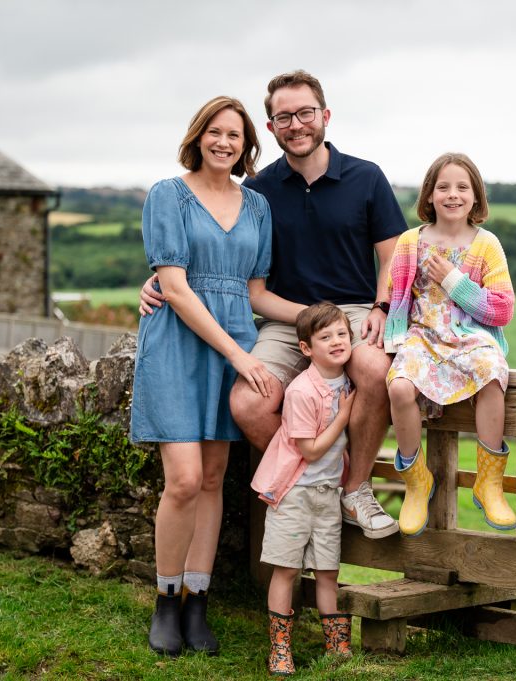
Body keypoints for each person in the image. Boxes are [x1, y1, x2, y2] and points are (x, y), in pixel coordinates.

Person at [141, 70, 407, 539]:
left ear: (324, 116)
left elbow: (394, 257)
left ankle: (356, 490)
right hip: (287, 318)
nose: (296, 124)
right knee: (247, 402)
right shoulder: (259, 193)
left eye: (305, 113)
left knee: (372, 369)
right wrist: (156, 280)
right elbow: (227, 259)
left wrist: (383, 306)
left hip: (357, 310)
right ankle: (320, 481)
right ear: (270, 128)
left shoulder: (367, 177)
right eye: (283, 117)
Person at [130, 95, 303, 657]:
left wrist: (317, 320)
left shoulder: (256, 207)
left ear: (247, 145)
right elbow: (175, 286)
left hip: (235, 342)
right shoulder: (167, 194)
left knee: (212, 479)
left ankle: (197, 603)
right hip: (183, 345)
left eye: (235, 135)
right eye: (215, 132)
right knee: (181, 479)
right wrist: (240, 356)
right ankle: (165, 601)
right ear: (198, 136)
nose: (224, 142)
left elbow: (255, 293)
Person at [384, 153, 516, 536]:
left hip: (468, 338)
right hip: (422, 337)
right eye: (443, 187)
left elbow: (503, 309)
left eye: (462, 187)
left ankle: (489, 482)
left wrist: (455, 281)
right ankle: (415, 480)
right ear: (429, 195)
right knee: (399, 386)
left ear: (476, 198)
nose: (453, 195)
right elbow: (397, 297)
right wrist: (394, 343)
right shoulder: (411, 242)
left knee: (492, 374)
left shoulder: (487, 245)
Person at [250, 302, 357, 675]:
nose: (337, 341)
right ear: (306, 348)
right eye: (325, 337)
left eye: (342, 333)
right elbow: (308, 450)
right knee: (286, 570)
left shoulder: (348, 382)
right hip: (295, 494)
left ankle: (337, 646)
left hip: (328, 494)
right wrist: (343, 415)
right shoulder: (301, 391)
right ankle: (280, 648)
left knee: (328, 572)